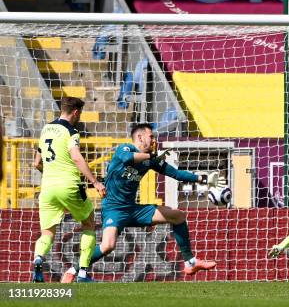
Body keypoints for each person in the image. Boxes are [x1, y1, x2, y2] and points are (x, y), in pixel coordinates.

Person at [61, 123, 217, 282]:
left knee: (178, 216)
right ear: (140, 137)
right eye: (151, 136)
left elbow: (176, 174)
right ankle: (73, 270)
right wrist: (152, 157)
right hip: (114, 209)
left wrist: (203, 179)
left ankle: (190, 262)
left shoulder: (151, 160)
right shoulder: (125, 149)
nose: (154, 140)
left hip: (134, 209)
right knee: (108, 245)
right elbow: (128, 159)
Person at [32, 97, 106, 282]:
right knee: (88, 223)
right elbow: (76, 158)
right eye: (79, 113)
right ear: (75, 112)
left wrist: (52, 172)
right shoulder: (71, 131)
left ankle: (38, 258)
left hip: (47, 188)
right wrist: (95, 182)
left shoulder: (45, 129)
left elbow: (36, 163)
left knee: (47, 232)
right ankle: (82, 273)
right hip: (69, 185)